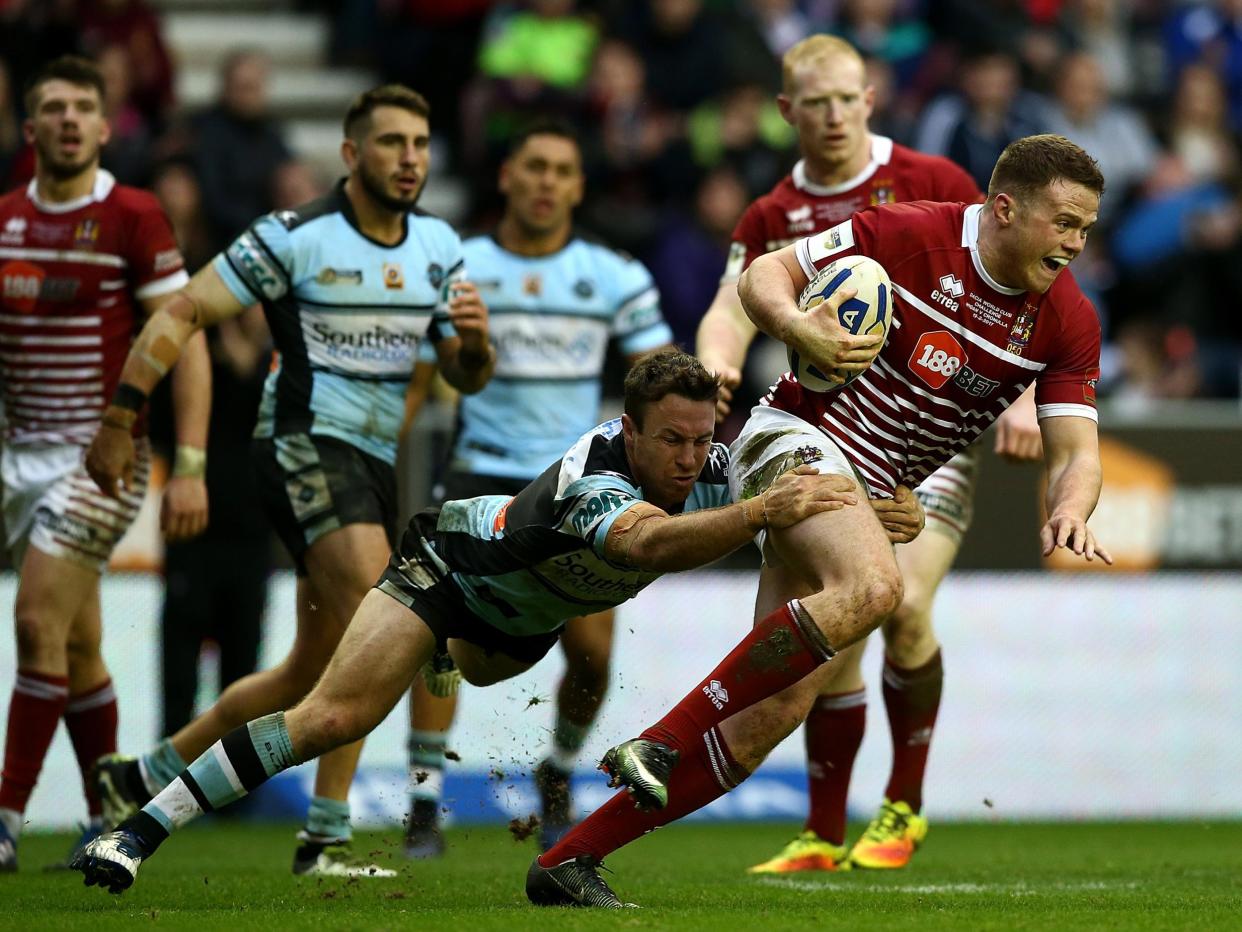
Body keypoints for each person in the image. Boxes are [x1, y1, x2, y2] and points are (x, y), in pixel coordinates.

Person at [69, 349, 918, 894]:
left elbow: (791, 503)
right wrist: (769, 508)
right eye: (672, 441)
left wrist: (871, 511)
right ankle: (135, 832)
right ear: (631, 429)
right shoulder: (597, 475)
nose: (690, 459)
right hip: (449, 575)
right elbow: (651, 545)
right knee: (335, 715)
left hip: (518, 629)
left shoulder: (719, 468)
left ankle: (443, 658)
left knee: (482, 672)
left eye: (702, 443)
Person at [527, 133, 1113, 908]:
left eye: (1086, 229)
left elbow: (1077, 451)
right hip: (794, 438)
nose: (1076, 243)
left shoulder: (1067, 319)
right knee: (877, 588)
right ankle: (660, 743)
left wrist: (1070, 508)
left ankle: (568, 861)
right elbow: (767, 275)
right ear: (1005, 208)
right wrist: (798, 330)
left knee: (770, 715)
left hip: (873, 490)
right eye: (1064, 222)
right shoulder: (905, 234)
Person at [85, 83, 497, 877]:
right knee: (386, 622)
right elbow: (180, 312)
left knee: (308, 671)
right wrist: (124, 411)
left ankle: (144, 773)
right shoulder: (296, 235)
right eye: (390, 143)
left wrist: (475, 345)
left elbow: (465, 373)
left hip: (375, 464)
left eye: (419, 144)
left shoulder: (440, 243)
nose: (409, 159)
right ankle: (325, 836)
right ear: (351, 154)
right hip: (302, 444)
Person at [696, 33, 1044, 873]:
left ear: (870, 99)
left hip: (931, 448)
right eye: (814, 102)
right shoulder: (772, 214)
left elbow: (1027, 284)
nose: (832, 115)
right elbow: (732, 302)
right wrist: (718, 362)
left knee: (900, 604)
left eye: (845, 97)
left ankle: (904, 807)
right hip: (829, 439)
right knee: (837, 622)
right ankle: (821, 837)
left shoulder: (932, 183)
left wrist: (1027, 395)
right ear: (788, 112)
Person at [403, 120, 674, 857]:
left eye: (563, 170)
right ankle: (425, 800)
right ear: (507, 178)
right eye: (535, 167)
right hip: (479, 471)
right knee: (437, 636)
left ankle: (556, 770)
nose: (548, 182)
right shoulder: (461, 266)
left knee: (590, 655)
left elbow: (662, 384)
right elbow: (428, 374)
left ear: (579, 187)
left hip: (575, 483)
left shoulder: (615, 275)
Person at [0, 55, 210, 871]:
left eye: (82, 107)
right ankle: (104, 821)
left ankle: (7, 821)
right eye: (51, 106)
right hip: (18, 457)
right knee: (78, 646)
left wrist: (187, 463)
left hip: (101, 461)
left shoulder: (133, 213)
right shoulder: (7, 220)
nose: (66, 119)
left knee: (34, 622)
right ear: (30, 128)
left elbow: (182, 338)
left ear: (102, 124)